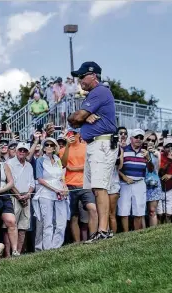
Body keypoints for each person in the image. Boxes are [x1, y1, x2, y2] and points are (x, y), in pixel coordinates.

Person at [68, 61, 118, 242]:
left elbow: (77, 118)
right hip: (95, 144)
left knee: (100, 188)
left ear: (93, 76)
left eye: (82, 76)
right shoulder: (94, 94)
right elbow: (71, 119)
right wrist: (84, 116)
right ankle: (101, 230)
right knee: (96, 188)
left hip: (102, 144)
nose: (79, 79)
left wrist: (83, 116)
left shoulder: (100, 91)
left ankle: (103, 231)